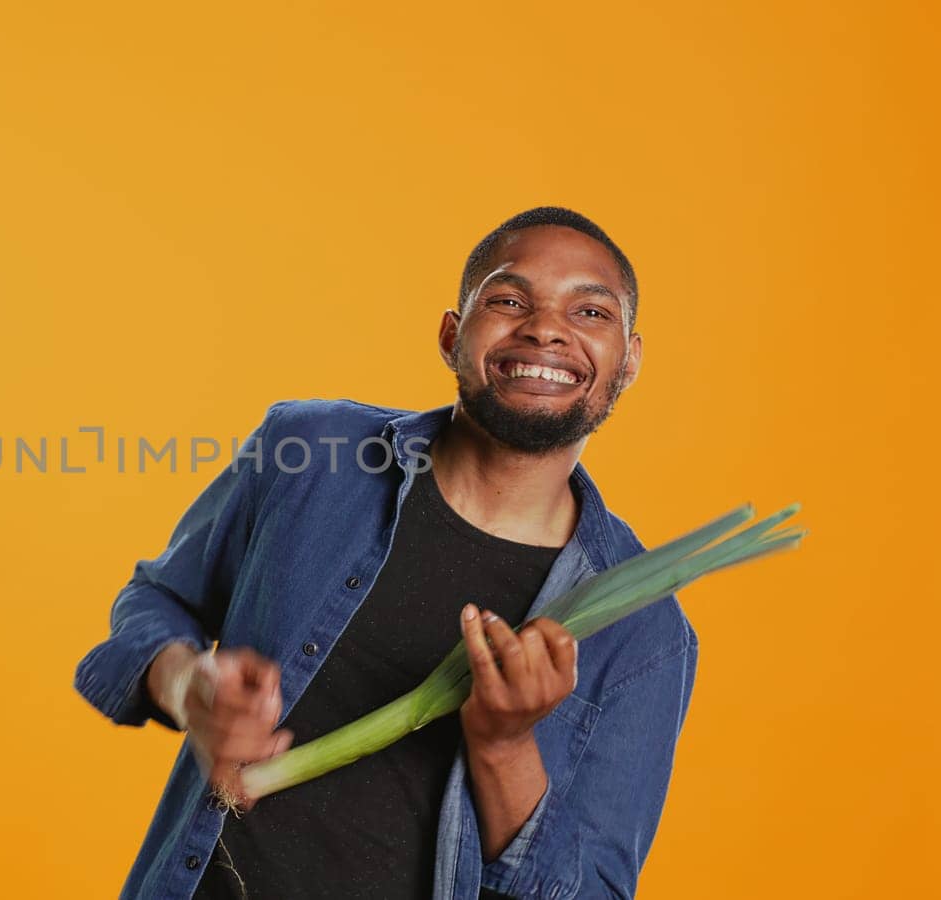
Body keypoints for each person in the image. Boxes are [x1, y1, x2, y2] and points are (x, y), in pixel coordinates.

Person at [74, 207, 698, 899]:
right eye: (509, 300)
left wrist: (503, 746)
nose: (546, 328)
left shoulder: (645, 630)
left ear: (630, 359)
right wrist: (188, 688)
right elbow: (156, 601)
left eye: (590, 312)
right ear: (451, 335)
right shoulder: (311, 453)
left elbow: (589, 890)